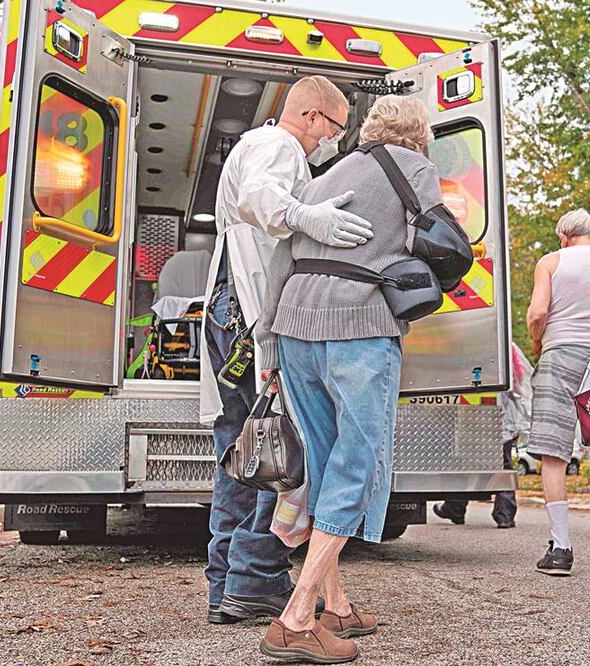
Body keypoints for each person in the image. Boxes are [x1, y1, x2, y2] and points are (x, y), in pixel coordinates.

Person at [253, 95, 441, 664]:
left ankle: (336, 603)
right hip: (358, 327)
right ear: (418, 136)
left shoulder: (321, 176)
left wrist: (268, 338)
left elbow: (280, 261)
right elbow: (436, 244)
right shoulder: (418, 171)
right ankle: (296, 615)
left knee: (325, 458)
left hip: (295, 326)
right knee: (356, 461)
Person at [201, 76, 375, 625]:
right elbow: (262, 200)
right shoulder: (275, 146)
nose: (335, 142)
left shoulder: (259, 147)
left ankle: (228, 586)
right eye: (336, 129)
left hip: (231, 308)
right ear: (314, 115)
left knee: (244, 451)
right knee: (280, 455)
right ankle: (254, 584)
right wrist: (305, 216)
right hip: (252, 310)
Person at [525, 208, 590, 576]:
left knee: (553, 452)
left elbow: (538, 313)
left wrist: (538, 342)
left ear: (564, 237)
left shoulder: (551, 262)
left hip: (560, 355)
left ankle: (561, 548)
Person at [433, 344, 533, 528]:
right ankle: (505, 514)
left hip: (475, 413)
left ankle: (455, 507)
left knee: (462, 462)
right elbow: (519, 384)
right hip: (502, 415)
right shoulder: (508, 347)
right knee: (502, 464)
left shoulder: (472, 344)